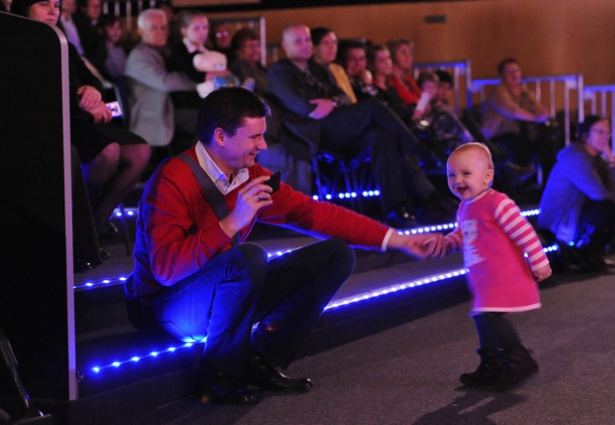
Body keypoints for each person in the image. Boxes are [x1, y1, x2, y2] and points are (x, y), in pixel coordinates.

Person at [126, 87, 445, 405]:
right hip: (164, 305)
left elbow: (315, 214)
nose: (263, 145)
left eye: (262, 136)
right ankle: (218, 375)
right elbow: (166, 271)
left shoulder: (250, 175)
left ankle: (261, 359)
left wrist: (399, 240)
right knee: (249, 257)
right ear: (221, 137)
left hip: (217, 290)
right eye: (254, 137)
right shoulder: (173, 178)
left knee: (335, 255)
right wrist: (230, 224)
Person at [266, 23, 455, 227]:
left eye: (308, 40)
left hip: (335, 127)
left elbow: (343, 97)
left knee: (382, 137)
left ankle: (397, 209)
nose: (305, 45)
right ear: (285, 46)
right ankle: (421, 152)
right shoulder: (280, 71)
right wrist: (331, 104)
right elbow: (306, 108)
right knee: (371, 107)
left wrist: (333, 102)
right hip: (313, 134)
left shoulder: (316, 68)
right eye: (298, 41)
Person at [10, 0, 150, 257]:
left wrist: (92, 91)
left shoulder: (63, 41)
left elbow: (91, 78)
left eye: (57, 5)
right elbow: (37, 93)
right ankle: (80, 227)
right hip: (53, 120)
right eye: (44, 4)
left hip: (80, 116)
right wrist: (83, 100)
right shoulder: (19, 42)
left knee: (140, 151)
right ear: (24, 8)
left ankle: (92, 228)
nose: (54, 11)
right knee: (108, 153)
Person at [430, 142, 552, 388]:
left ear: (487, 177)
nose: (457, 180)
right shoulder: (465, 206)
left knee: (488, 318)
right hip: (482, 277)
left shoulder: (498, 202)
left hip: (501, 274)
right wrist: (444, 243)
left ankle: (519, 357)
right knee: (482, 318)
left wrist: (539, 262)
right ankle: (492, 363)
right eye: (451, 174)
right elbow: (463, 235)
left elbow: (525, 233)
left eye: (466, 173)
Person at [538, 115, 615, 271]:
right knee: (607, 208)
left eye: (607, 133)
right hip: (560, 220)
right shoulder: (576, 157)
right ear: (585, 134)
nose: (605, 137)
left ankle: (590, 255)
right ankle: (577, 254)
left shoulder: (596, 158)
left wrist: (611, 161)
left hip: (577, 213)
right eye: (599, 132)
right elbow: (601, 196)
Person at [124, 8, 198, 149]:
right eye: (154, 28)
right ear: (140, 31)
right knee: (207, 121)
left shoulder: (163, 51)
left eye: (163, 27)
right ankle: (194, 166)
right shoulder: (138, 56)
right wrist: (200, 81)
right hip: (154, 114)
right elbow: (165, 82)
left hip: (171, 108)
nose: (161, 32)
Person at [481, 57, 559, 183]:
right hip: (500, 135)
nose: (514, 74)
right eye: (509, 72)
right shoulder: (498, 92)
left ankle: (547, 185)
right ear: (503, 76)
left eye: (516, 70)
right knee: (518, 146)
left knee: (547, 145)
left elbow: (543, 112)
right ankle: (521, 185)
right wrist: (535, 118)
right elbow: (513, 111)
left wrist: (540, 115)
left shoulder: (525, 93)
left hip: (524, 135)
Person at [310, 27, 357, 103]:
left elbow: (351, 99)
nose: (332, 47)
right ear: (313, 48)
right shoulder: (310, 72)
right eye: (326, 43)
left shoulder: (337, 68)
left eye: (335, 42)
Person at [229, 27, 268, 94]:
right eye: (250, 46)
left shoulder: (258, 67)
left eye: (257, 45)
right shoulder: (238, 67)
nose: (255, 50)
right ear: (238, 50)